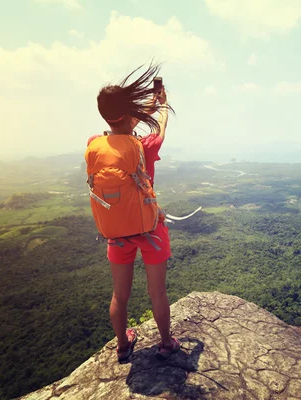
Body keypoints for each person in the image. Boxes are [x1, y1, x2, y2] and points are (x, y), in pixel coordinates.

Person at [86, 62, 180, 363]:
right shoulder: (145, 146)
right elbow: (159, 127)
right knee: (158, 293)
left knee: (120, 295)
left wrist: (146, 108)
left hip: (116, 232)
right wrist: (162, 106)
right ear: (130, 114)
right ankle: (166, 344)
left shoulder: (94, 144)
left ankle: (123, 345)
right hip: (150, 229)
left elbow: (121, 133)